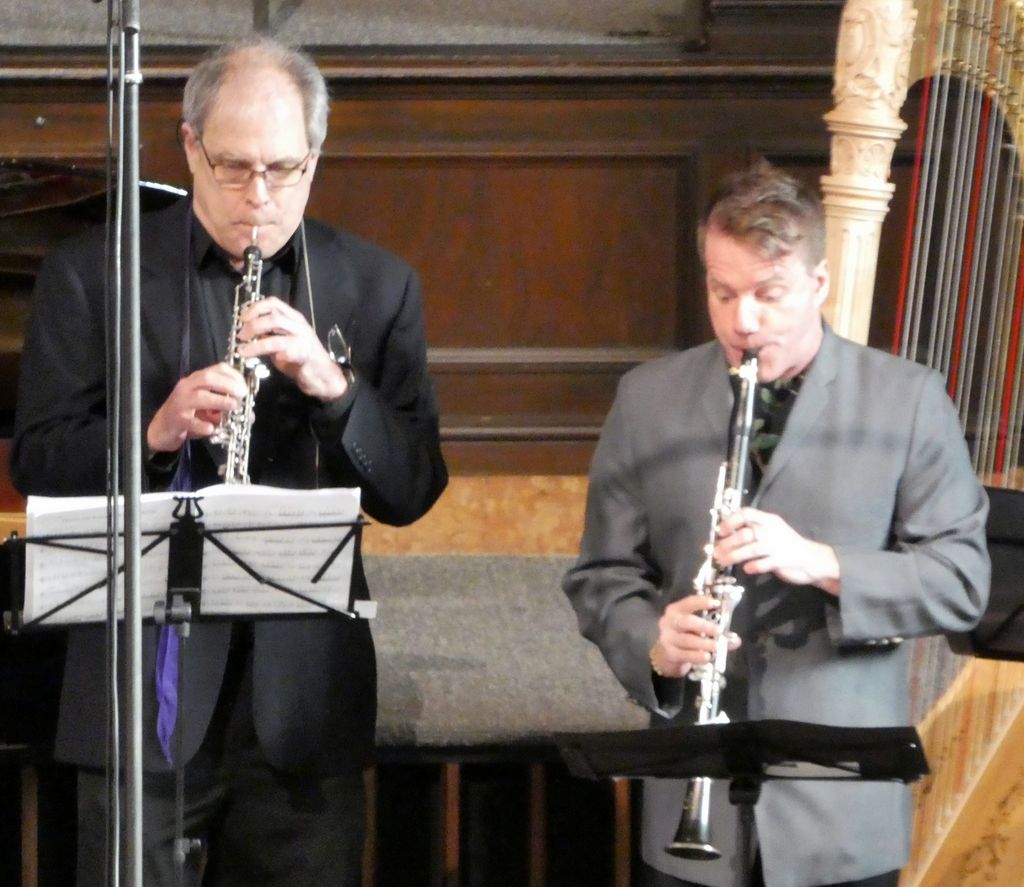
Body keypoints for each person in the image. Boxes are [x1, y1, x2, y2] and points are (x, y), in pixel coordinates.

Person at [11, 34, 448, 887]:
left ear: (315, 157)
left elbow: (413, 487)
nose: (259, 197)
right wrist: (154, 431)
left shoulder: (377, 284)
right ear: (189, 147)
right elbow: (38, 456)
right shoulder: (93, 274)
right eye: (235, 167)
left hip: (304, 710)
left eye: (284, 169)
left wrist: (336, 391)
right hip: (139, 700)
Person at [562, 160, 990, 887]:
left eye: (769, 293)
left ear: (819, 283)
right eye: (723, 292)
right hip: (691, 800)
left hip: (840, 812)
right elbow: (602, 575)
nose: (743, 320)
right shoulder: (647, 399)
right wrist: (654, 643)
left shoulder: (908, 400)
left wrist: (822, 562)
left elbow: (961, 582)